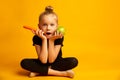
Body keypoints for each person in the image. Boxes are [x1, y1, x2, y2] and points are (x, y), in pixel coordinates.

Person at [20, 6, 78, 78]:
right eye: (44, 25)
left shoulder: (59, 37)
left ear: (57, 26)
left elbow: (51, 60)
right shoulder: (36, 38)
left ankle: (39, 71)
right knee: (24, 63)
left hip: (56, 63)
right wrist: (44, 39)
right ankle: (63, 73)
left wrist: (51, 40)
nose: (48, 28)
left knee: (73, 61)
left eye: (52, 25)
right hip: (41, 63)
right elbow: (43, 60)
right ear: (39, 26)